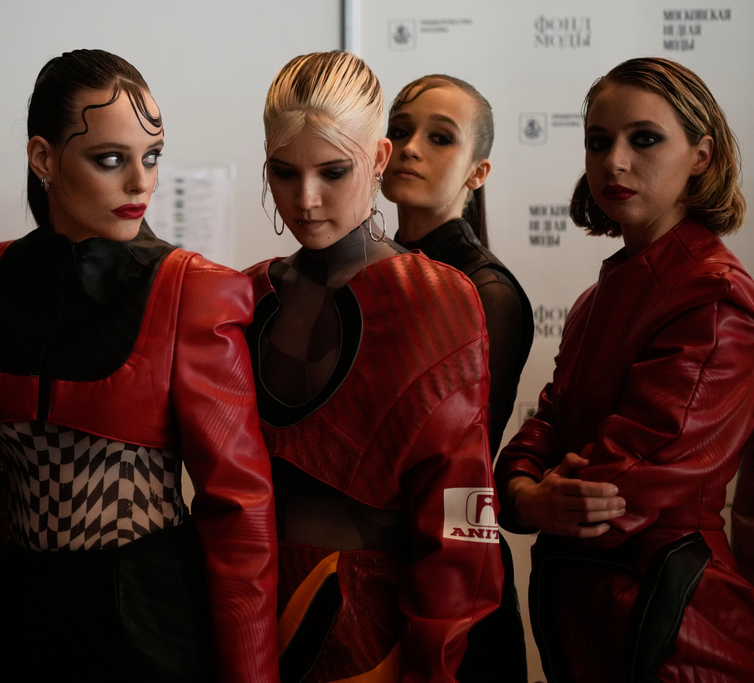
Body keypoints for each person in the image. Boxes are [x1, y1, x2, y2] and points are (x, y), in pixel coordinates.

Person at [0, 49, 278, 683]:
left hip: (146, 625)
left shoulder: (196, 289)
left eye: (150, 157)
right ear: (43, 158)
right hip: (11, 619)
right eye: (111, 159)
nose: (142, 183)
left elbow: (239, 510)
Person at [244, 50, 501, 682]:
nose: (305, 200)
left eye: (334, 172)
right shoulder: (245, 295)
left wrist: (433, 663)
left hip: (370, 631)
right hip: (239, 609)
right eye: (283, 172)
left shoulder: (439, 302)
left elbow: (461, 510)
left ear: (379, 159)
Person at [496, 57, 754, 682]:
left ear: (702, 155)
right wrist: (527, 493)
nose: (614, 161)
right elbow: (542, 429)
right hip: (583, 614)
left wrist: (532, 498)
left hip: (675, 621)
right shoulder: (596, 299)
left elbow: (620, 489)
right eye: (598, 141)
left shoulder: (714, 296)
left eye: (644, 139)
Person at [381, 74, 530, 683]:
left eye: (440, 137)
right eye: (400, 131)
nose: (411, 147)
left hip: (453, 579)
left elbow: (459, 473)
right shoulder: (375, 271)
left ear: (478, 172)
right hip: (371, 568)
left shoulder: (486, 291)